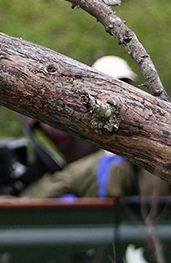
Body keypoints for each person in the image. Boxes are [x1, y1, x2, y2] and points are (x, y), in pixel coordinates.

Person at [21, 56, 138, 200]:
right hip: (77, 177)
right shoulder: (81, 111)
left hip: (98, 175)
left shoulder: (134, 118)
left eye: (125, 85)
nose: (120, 92)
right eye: (117, 84)